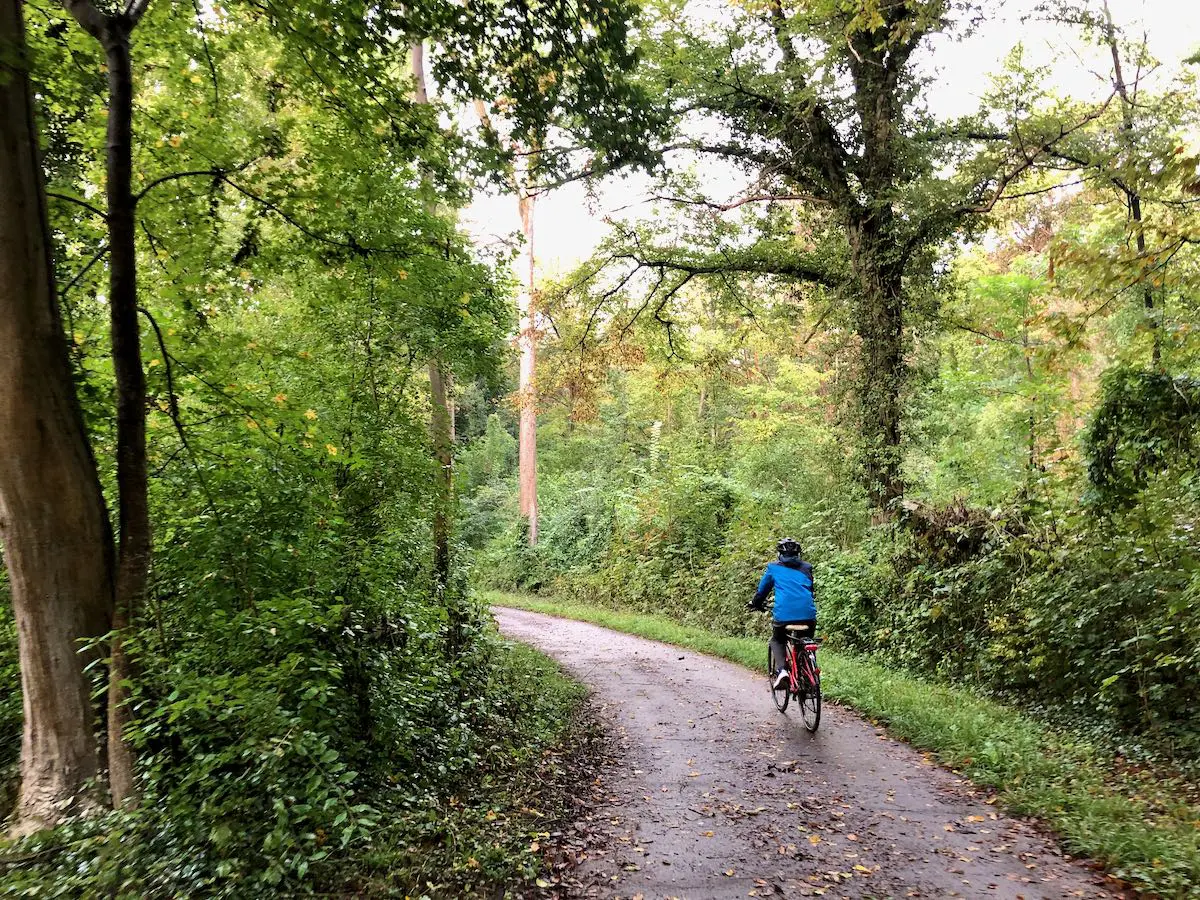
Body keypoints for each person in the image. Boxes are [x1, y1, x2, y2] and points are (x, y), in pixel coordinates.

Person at [747, 537, 816, 689]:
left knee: (777, 640)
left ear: (779, 554)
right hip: (808, 615)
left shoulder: (773, 568)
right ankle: (808, 675)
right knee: (806, 640)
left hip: (784, 615)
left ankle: (782, 670)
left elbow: (762, 591)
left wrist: (755, 603)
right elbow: (810, 590)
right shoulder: (807, 567)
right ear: (799, 554)